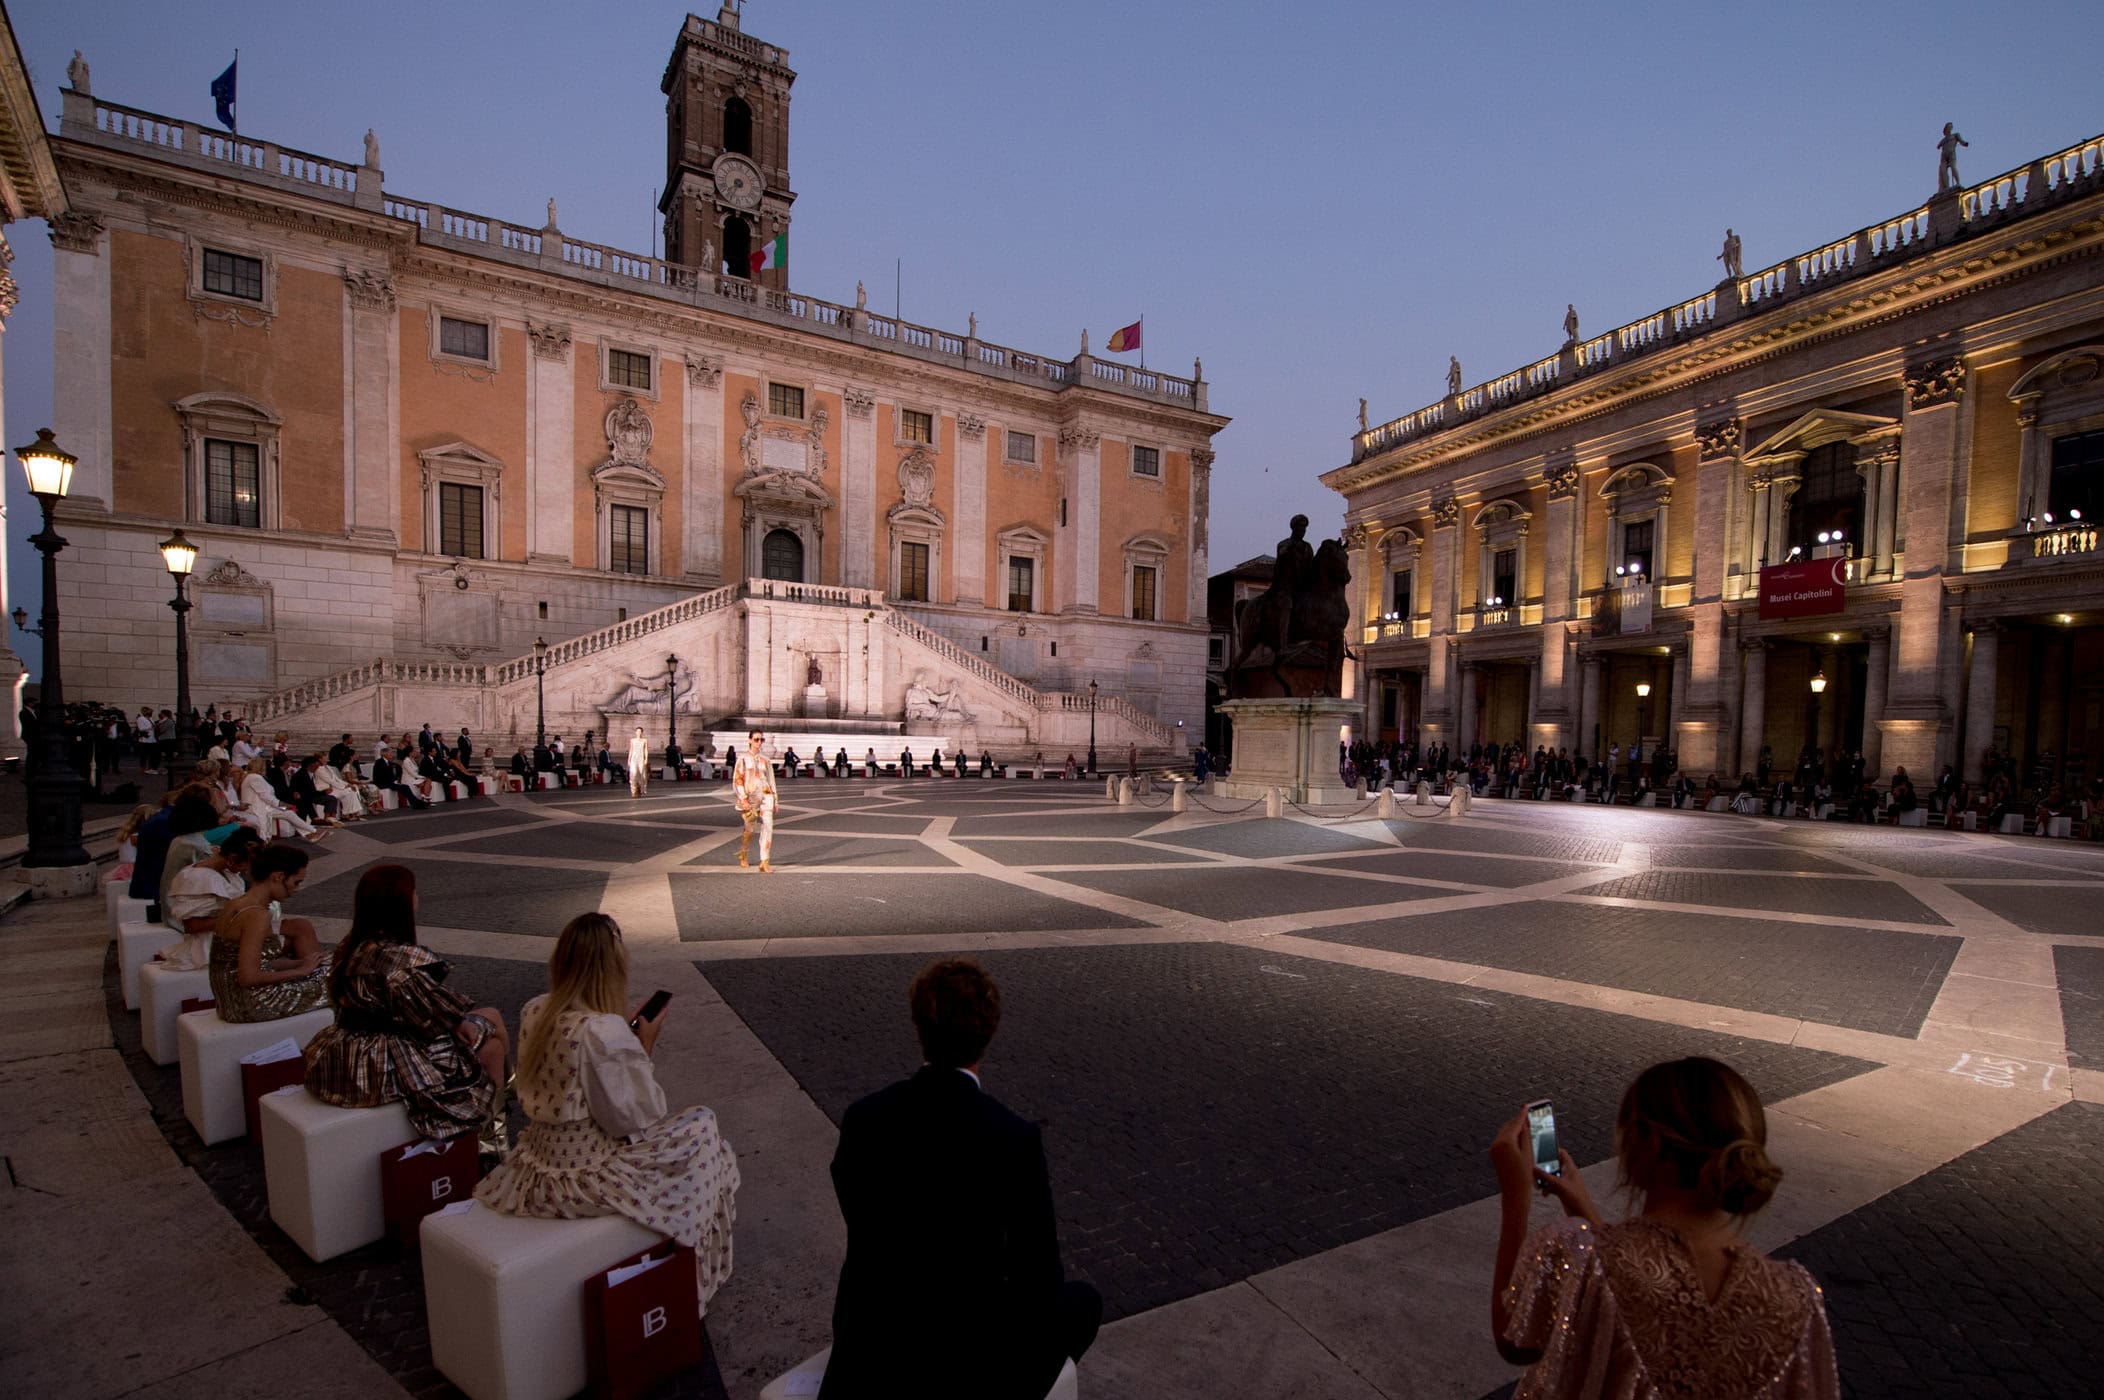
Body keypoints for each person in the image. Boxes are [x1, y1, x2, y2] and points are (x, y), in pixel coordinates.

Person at [818, 959, 1100, 1400]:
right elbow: (1039, 1277)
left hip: (871, 1342)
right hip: (966, 1362)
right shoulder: (1013, 1138)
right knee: (1083, 1302)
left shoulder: (864, 1118)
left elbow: (856, 1208)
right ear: (987, 1035)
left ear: (919, 1029)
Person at [1489, 1056, 1837, 1399]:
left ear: (1649, 1145)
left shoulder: (1578, 1253)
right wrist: (1581, 1205)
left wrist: (1516, 1197)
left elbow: (1514, 1336)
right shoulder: (1797, 1300)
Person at [475, 913, 739, 1315]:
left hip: (535, 1163)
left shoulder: (536, 1010)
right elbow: (635, 1118)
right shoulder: (603, 1032)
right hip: (585, 1175)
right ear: (613, 968)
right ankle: (690, 1269)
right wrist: (643, 1047)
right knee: (703, 1128)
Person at [303, 864, 509, 1141]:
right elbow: (430, 1019)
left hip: (343, 1049)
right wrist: (458, 1022)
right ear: (400, 903)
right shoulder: (398, 961)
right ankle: (492, 1136)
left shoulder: (351, 945)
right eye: (415, 892)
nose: (418, 897)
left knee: (489, 1017)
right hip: (381, 1061)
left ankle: (503, 1107)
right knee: (493, 1044)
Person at [209, 841, 331, 1022]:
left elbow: (248, 964)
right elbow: (248, 978)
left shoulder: (236, 904)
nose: (295, 890)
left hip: (229, 1001)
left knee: (327, 970)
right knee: (341, 981)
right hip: (250, 1004)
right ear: (278, 876)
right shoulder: (257, 915)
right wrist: (301, 971)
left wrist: (301, 963)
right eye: (296, 882)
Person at [160, 827, 263, 970]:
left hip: (229, 936)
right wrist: (240, 915)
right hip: (210, 945)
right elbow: (192, 926)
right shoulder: (196, 878)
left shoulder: (228, 874)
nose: (246, 870)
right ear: (232, 858)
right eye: (247, 864)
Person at [241, 756, 324, 841]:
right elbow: (266, 797)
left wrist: (284, 806)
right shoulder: (254, 778)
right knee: (265, 831)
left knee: (289, 813)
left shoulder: (255, 777)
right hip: (259, 808)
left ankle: (311, 832)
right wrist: (284, 805)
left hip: (267, 806)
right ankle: (311, 832)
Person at [734, 731, 779, 873]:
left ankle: (764, 861)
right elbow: (738, 779)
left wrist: (776, 800)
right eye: (756, 739)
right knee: (749, 829)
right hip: (750, 797)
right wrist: (743, 798)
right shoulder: (742, 759)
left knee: (768, 827)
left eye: (761, 740)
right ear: (750, 740)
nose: (759, 742)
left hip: (766, 796)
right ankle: (744, 854)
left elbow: (771, 780)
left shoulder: (766, 760)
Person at [628, 725, 651, 797]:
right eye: (637, 731)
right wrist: (629, 759)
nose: (639, 733)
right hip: (634, 758)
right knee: (633, 774)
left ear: (642, 732)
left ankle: (641, 789)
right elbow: (631, 750)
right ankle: (633, 791)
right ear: (635, 732)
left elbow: (646, 750)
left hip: (641, 758)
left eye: (640, 731)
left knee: (642, 774)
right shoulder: (632, 740)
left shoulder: (644, 740)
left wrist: (646, 759)